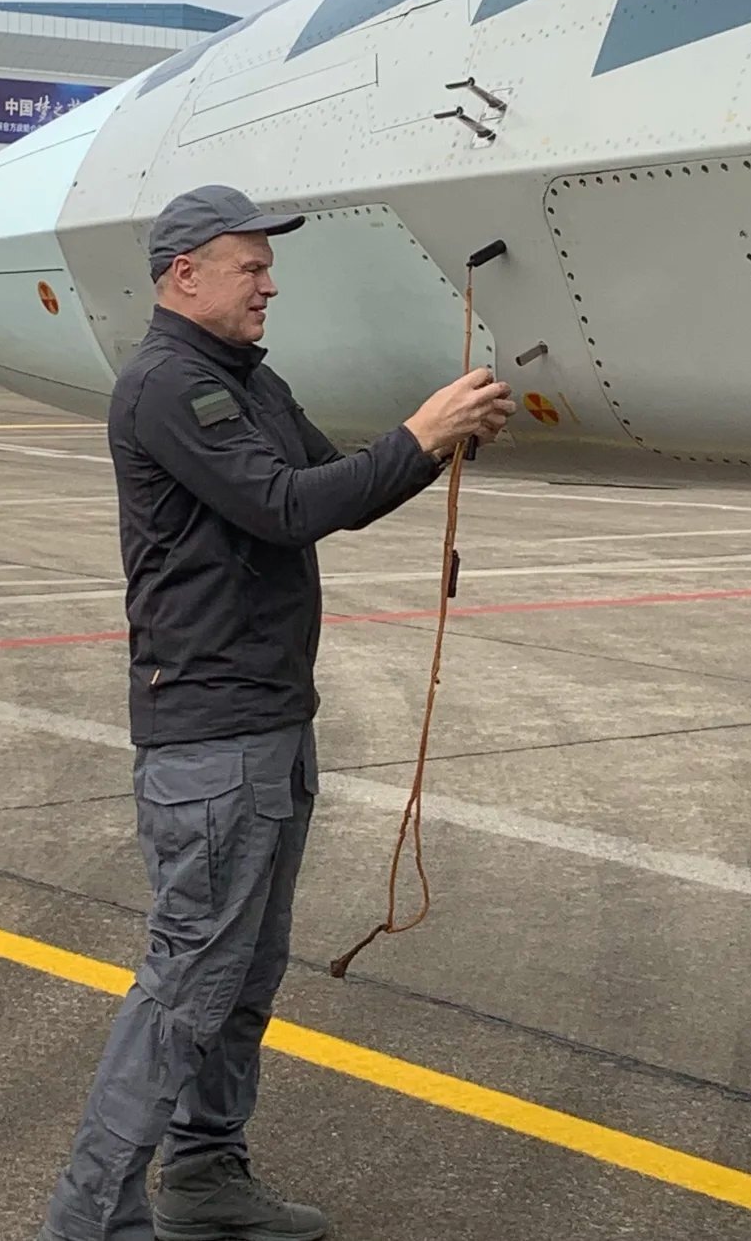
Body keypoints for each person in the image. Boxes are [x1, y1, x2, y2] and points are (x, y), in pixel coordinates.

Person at [36, 185, 516, 1241]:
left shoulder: (243, 382)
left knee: (241, 982)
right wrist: (420, 432)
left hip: (264, 731)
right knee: (187, 991)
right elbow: (286, 508)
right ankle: (90, 1221)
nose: (269, 284)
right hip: (211, 743)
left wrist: (435, 438)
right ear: (183, 276)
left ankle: (205, 1177)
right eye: (249, 267)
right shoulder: (169, 385)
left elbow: (330, 484)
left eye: (266, 266)